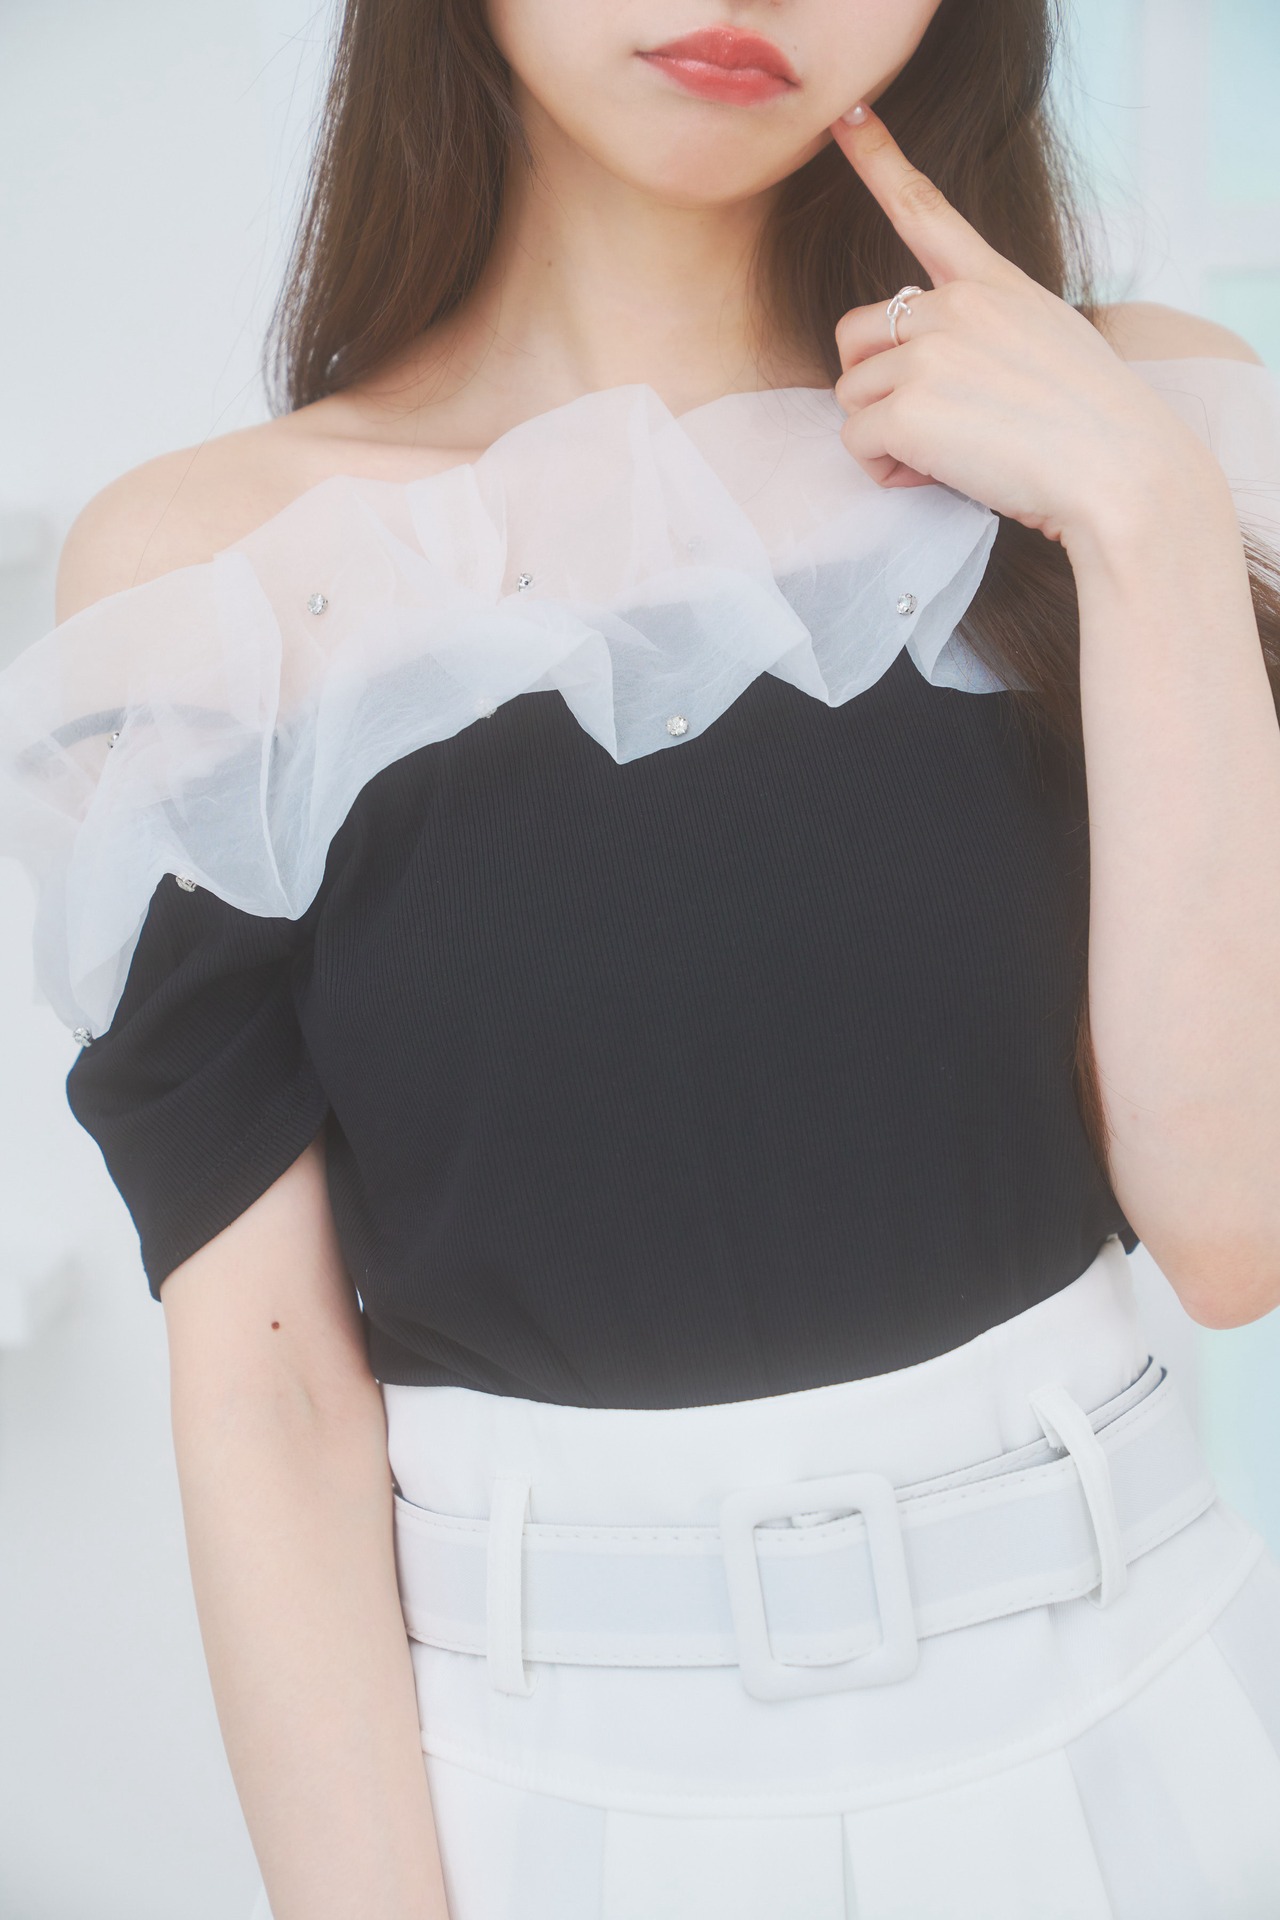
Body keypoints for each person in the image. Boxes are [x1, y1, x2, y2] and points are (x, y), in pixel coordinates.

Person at [3, 1, 1280, 1914]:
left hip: (1146, 1704)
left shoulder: (1135, 424)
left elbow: (1234, 1227)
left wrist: (1149, 518)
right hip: (566, 1799)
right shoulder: (212, 577)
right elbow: (269, 1394)